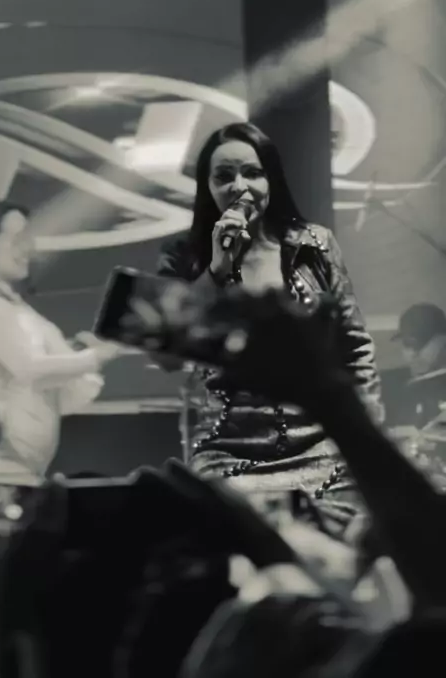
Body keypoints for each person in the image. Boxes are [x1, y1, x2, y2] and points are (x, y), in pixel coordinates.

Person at [156, 122, 383, 526]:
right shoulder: (183, 257)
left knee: (344, 540)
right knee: (236, 539)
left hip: (323, 445)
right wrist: (217, 269)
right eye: (224, 176)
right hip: (228, 451)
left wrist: (365, 438)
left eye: (252, 173)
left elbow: (355, 347)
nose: (240, 186)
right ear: (207, 187)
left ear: (271, 179)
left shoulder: (315, 245)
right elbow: (167, 356)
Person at [0, 201, 124, 484]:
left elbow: (63, 392)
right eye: (16, 239)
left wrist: (80, 354)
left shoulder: (22, 312)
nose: (27, 248)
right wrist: (95, 357)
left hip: (26, 467)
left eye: (28, 239)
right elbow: (31, 369)